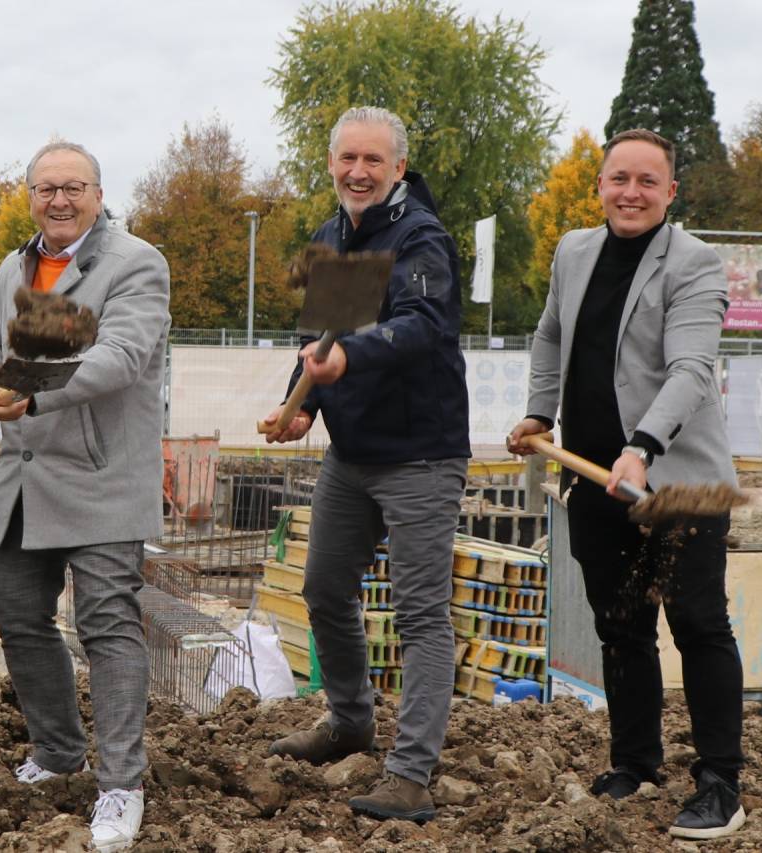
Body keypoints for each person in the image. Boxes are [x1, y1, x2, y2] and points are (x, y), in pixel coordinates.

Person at [507, 128, 747, 840]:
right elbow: (551, 335)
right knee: (620, 627)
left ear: (670, 191)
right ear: (601, 185)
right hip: (592, 476)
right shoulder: (574, 251)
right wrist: (538, 412)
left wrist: (641, 448)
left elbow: (691, 369)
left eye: (647, 181)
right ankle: (636, 763)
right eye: (620, 179)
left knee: (699, 625)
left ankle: (720, 783)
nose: (631, 193)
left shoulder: (695, 263)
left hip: (678, 480)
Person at [0, 139, 170, 852]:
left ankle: (121, 783)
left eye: (74, 187)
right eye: (47, 189)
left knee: (107, 624)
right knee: (17, 615)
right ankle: (58, 751)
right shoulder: (15, 268)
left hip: (102, 477)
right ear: (31, 198)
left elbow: (118, 358)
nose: (60, 200)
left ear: (98, 196)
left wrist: (26, 394)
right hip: (25, 475)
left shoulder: (135, 264)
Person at [256, 106, 468, 824]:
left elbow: (422, 325)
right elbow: (322, 339)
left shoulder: (420, 238)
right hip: (352, 453)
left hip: (421, 453)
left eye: (373, 160)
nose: (358, 171)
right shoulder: (331, 236)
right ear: (331, 163)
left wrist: (351, 355)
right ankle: (350, 722)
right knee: (323, 588)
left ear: (398, 168)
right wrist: (302, 407)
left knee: (420, 612)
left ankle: (410, 775)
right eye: (348, 158)